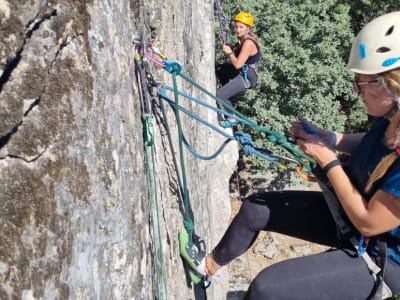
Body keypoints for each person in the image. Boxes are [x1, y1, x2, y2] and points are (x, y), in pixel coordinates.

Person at [200, 11, 400, 299]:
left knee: (265, 290)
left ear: (391, 85)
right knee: (255, 209)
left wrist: (326, 158)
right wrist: (327, 138)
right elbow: (372, 142)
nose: (357, 91)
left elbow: (369, 221)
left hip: (382, 256)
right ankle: (205, 268)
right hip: (350, 213)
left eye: (362, 83)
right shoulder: (393, 113)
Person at [216, 11, 261, 128]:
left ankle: (232, 118)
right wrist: (232, 48)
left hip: (248, 77)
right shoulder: (242, 40)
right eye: (236, 26)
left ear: (248, 28)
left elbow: (237, 65)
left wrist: (229, 52)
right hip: (243, 71)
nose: (238, 30)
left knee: (220, 95)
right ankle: (228, 95)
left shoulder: (248, 43)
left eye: (241, 27)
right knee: (220, 69)